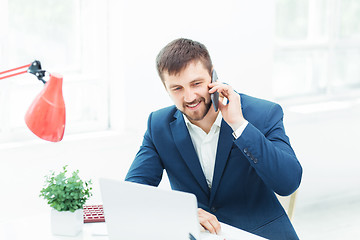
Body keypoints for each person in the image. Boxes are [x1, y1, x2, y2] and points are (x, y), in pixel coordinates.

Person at [125, 38, 302, 240]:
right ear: (166, 88)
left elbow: (288, 182)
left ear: (213, 76)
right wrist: (181, 214)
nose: (189, 97)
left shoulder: (263, 114)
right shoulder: (158, 125)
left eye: (196, 83)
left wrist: (239, 125)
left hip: (259, 234)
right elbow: (133, 192)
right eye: (177, 88)